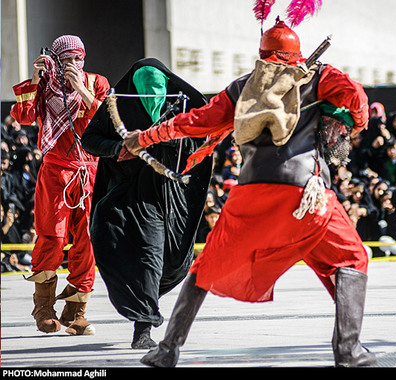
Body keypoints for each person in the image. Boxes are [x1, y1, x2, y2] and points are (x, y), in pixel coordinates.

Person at [124, 19, 376, 367]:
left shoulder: (241, 87)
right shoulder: (318, 76)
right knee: (352, 259)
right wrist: (356, 121)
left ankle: (168, 349)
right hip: (305, 196)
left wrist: (147, 136)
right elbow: (356, 97)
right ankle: (349, 351)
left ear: (261, 55)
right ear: (296, 54)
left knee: (206, 266)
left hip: (249, 194)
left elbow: (199, 121)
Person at [81, 58, 212, 348]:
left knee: (176, 261)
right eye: (145, 83)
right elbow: (89, 139)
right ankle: (143, 329)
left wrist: (159, 139)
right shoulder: (118, 104)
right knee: (148, 257)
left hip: (170, 194)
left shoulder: (180, 106)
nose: (152, 90)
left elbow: (199, 142)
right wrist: (118, 148)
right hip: (133, 194)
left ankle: (147, 298)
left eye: (157, 84)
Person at [10, 35, 109, 335]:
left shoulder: (96, 83)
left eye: (77, 58)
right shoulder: (44, 86)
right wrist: (35, 78)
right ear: (55, 60)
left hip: (91, 172)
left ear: (84, 58)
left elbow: (108, 119)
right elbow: (24, 117)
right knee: (51, 237)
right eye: (66, 60)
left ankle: (76, 311)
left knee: (88, 241)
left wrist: (80, 88)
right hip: (56, 171)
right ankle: (43, 309)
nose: (73, 64)